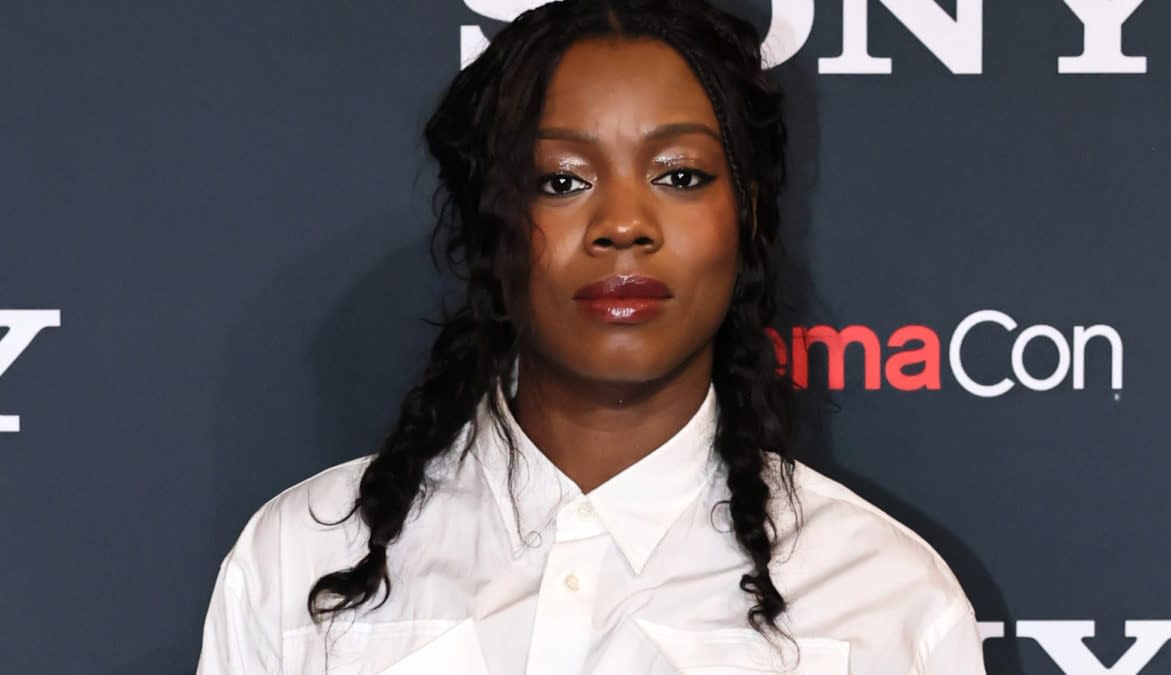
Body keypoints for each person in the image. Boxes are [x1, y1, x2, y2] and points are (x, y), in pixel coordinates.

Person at [196, 1, 987, 673]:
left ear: (746, 215)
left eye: (679, 175)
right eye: (561, 180)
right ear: (491, 222)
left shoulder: (886, 601)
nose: (622, 225)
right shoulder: (298, 560)